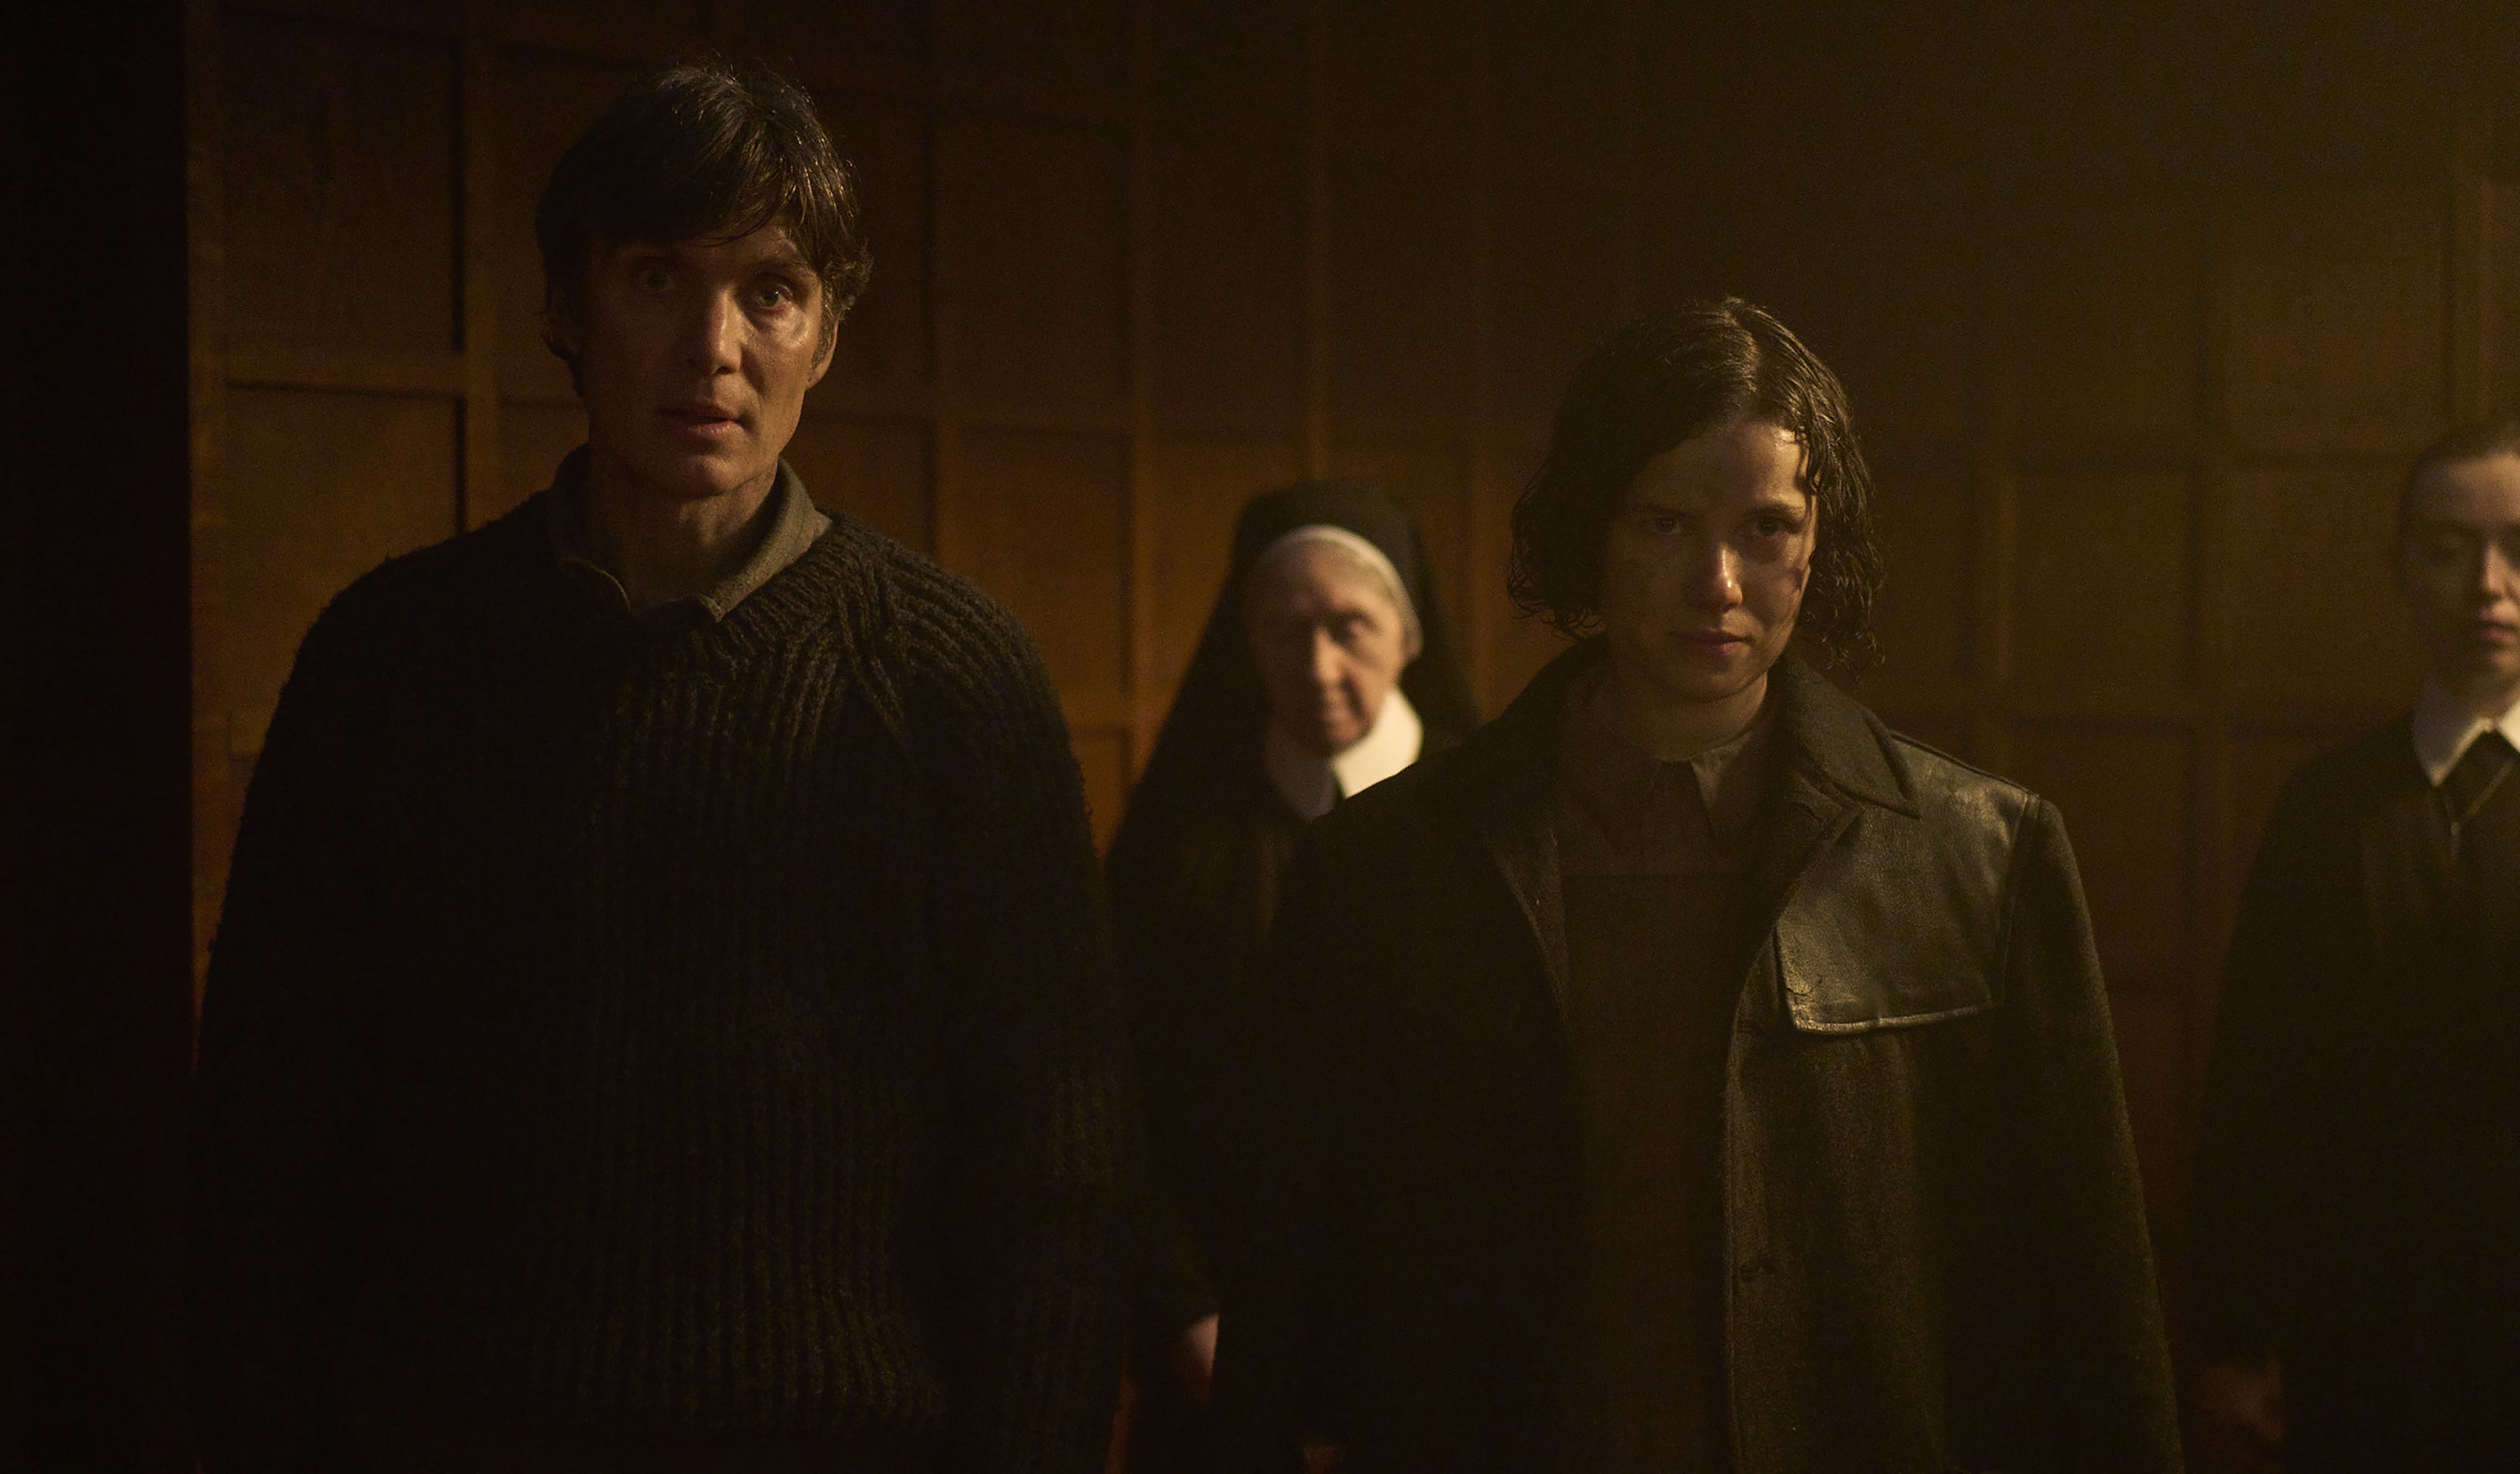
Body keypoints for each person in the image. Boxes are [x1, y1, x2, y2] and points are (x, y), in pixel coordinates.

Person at [186, 61, 1137, 1474]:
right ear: (570, 310)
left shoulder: (949, 675)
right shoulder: (395, 657)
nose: (714, 346)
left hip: (842, 1444)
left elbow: (1052, 1157)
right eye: (656, 279)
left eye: (772, 291)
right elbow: (269, 1117)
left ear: (826, 334)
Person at [1205, 298, 2181, 1473]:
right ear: (1594, 529)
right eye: (1667, 523)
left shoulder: (1978, 854)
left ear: (1816, 545)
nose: (1717, 583)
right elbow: (1287, 1266)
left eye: (1766, 528)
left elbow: (2091, 1288)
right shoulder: (1388, 865)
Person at [1105, 484, 1478, 1469]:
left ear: (1408, 636)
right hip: (1218, 1352)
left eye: (1349, 628)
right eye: (1284, 630)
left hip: (1446, 1352)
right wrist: (1180, 1310)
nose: (1317, 667)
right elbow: (1109, 1089)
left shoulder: (1494, 827)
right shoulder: (1177, 843)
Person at [2187, 422, 2520, 1472]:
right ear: (2402, 571)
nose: (2489, 586)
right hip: (2369, 1328)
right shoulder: (2330, 810)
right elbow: (2256, 1086)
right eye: (2449, 549)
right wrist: (2233, 1336)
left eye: (2519, 547)